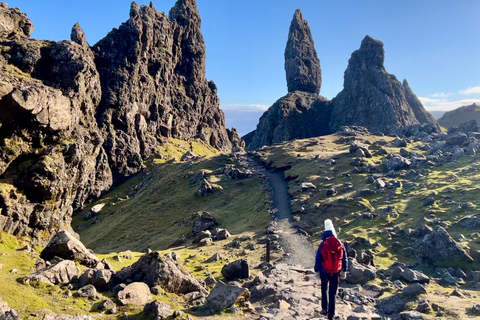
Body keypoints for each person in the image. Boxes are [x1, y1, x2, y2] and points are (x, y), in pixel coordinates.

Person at [314, 219, 347, 320]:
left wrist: (316, 270)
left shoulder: (323, 244)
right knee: (332, 293)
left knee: (324, 289)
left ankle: (324, 308)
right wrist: (344, 270)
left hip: (324, 271)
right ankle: (331, 315)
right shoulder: (340, 244)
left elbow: (318, 258)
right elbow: (344, 257)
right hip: (336, 272)